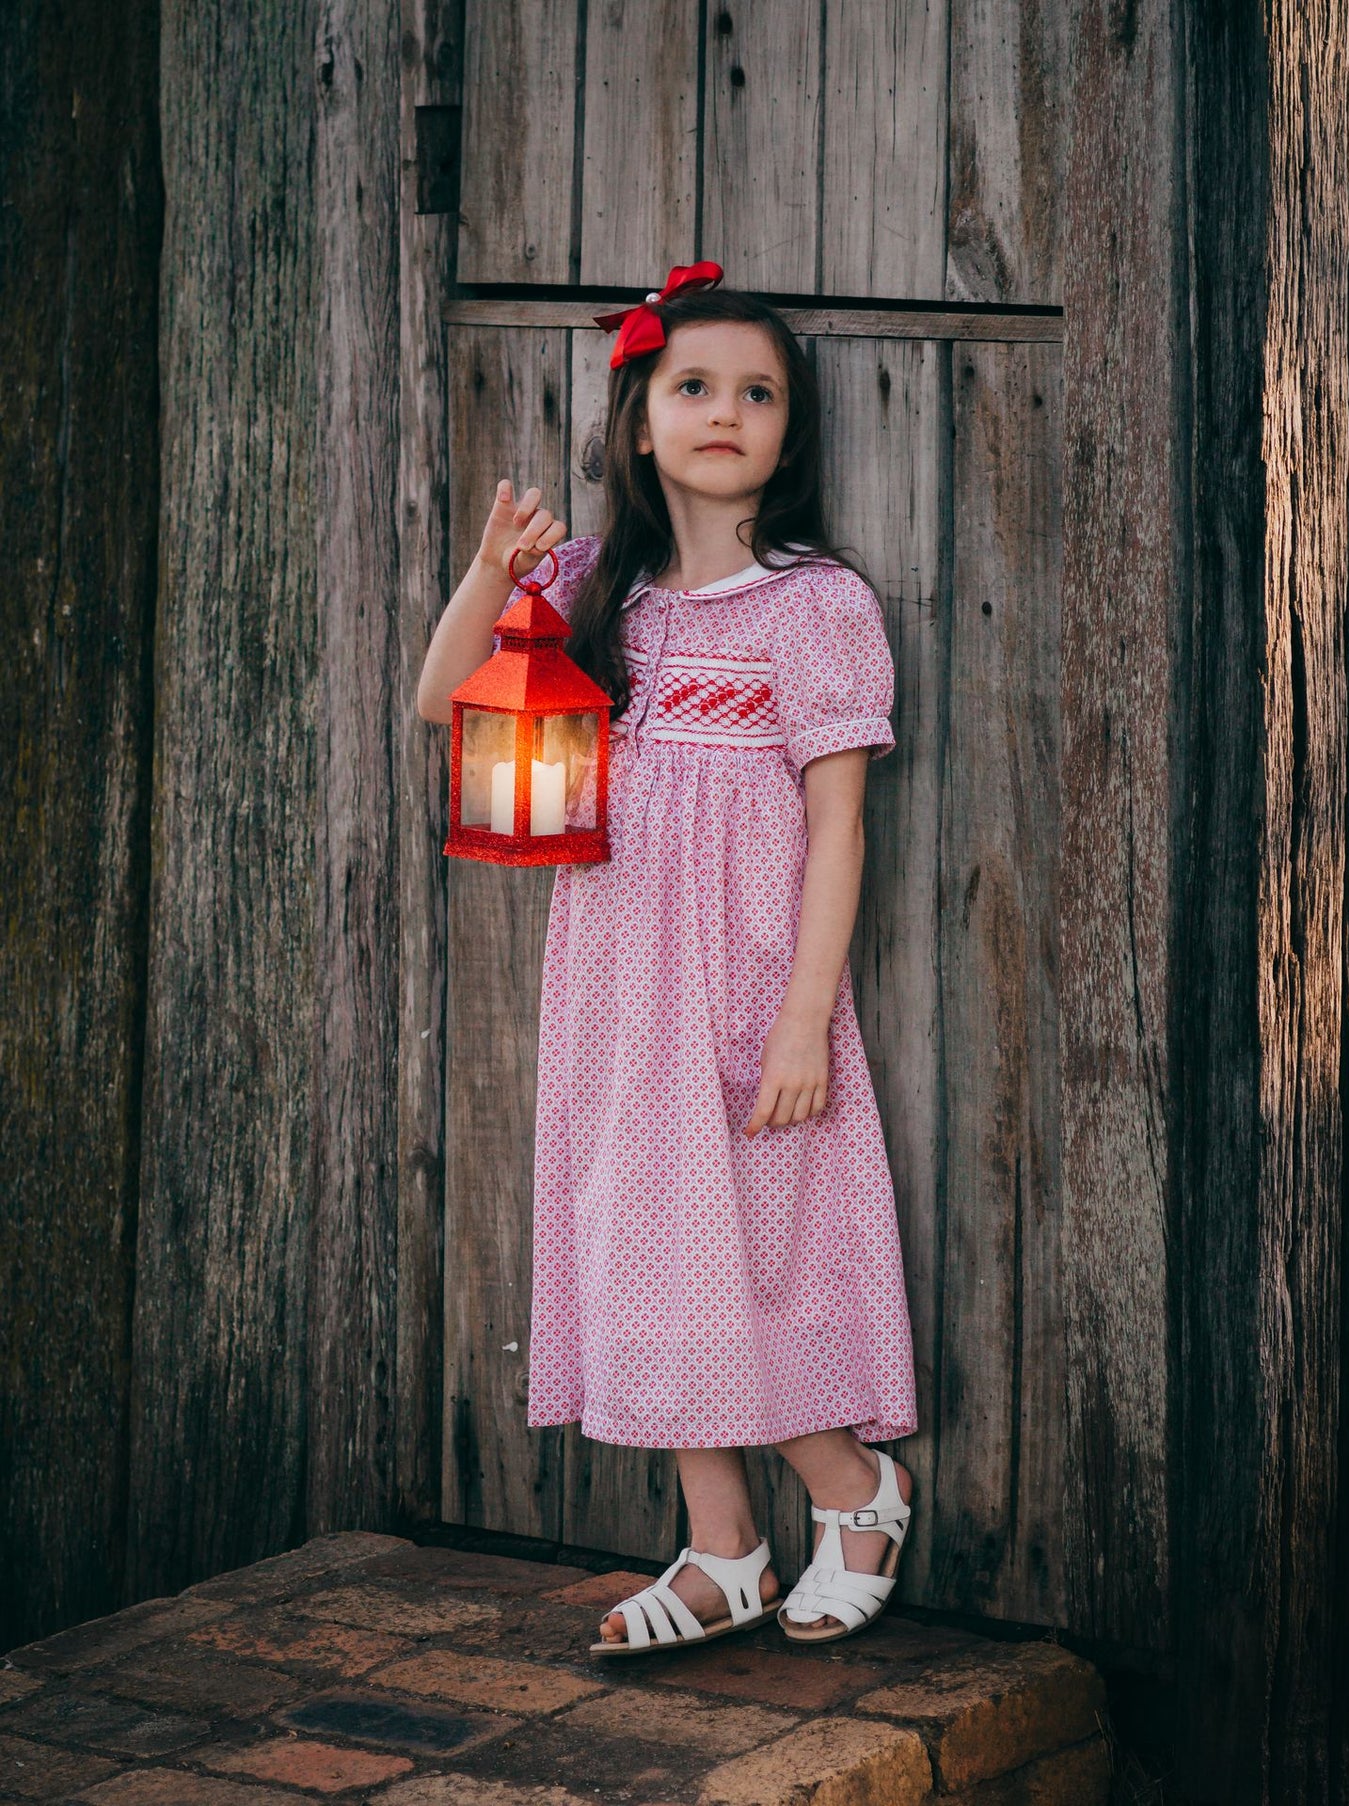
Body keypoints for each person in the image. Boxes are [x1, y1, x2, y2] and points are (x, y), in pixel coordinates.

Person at [416, 262, 918, 1655]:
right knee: (649, 1248)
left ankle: (851, 1485)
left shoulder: (811, 606)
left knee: (753, 1250)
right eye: (693, 386)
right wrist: (489, 573)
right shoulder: (597, 592)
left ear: (785, 433)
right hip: (617, 979)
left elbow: (836, 823)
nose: (725, 411)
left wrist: (804, 1014)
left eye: (756, 393)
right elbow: (441, 704)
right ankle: (723, 1548)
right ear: (639, 420)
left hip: (751, 979)